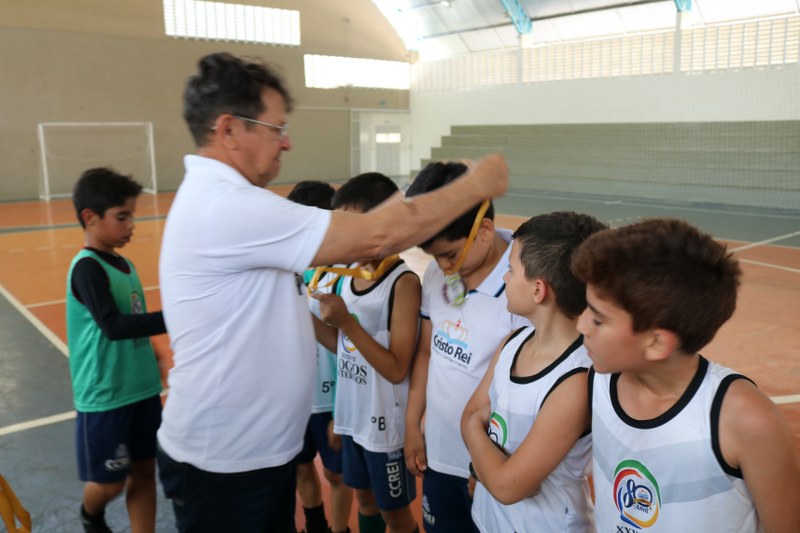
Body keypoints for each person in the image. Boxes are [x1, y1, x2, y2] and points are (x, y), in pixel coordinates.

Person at [157, 52, 508, 533]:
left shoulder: (222, 203)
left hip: (243, 458)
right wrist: (477, 184)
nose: (287, 141)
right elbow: (378, 235)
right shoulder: (226, 207)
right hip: (227, 466)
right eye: (276, 128)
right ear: (230, 129)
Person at [571, 218, 800, 532]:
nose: (581, 325)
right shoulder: (597, 380)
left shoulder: (745, 421)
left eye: (598, 319)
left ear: (656, 343)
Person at [402, 162, 530, 532]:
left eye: (449, 254)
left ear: (484, 230)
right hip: (441, 454)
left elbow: (523, 391)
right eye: (434, 257)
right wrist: (412, 423)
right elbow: (427, 352)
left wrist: (484, 463)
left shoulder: (523, 287)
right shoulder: (437, 273)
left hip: (492, 464)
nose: (442, 267)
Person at [461, 212, 607, 532]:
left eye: (511, 269)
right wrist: (486, 466)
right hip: (490, 521)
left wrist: (476, 437)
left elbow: (507, 486)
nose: (505, 277)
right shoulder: (513, 342)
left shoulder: (575, 380)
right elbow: (471, 413)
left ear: (538, 290)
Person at [312, 173, 420, 533]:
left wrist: (347, 323)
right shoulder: (347, 276)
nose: (347, 236)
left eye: (354, 226)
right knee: (365, 500)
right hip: (355, 416)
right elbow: (345, 350)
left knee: (396, 516)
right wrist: (340, 415)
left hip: (385, 426)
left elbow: (397, 369)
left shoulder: (403, 283)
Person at [67, 167, 166, 533]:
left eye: (132, 216)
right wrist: (174, 317)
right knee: (110, 484)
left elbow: (133, 316)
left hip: (141, 388)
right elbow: (113, 325)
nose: (131, 225)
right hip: (106, 394)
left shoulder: (125, 264)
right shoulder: (87, 268)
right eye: (122, 217)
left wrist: (154, 354)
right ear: (90, 217)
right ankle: (90, 514)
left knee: (144, 471)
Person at [288, 180, 354, 533]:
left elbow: (350, 348)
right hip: (296, 397)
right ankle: (317, 525)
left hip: (331, 399)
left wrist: (342, 411)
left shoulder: (344, 275)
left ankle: (340, 529)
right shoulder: (288, 270)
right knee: (300, 467)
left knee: (336, 473)